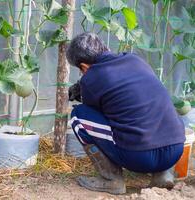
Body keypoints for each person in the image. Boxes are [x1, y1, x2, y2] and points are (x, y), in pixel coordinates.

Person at [67, 32, 185, 195]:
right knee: (157, 109)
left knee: (77, 117)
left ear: (84, 66)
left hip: (139, 158)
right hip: (175, 150)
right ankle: (163, 174)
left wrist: (84, 91)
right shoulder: (135, 60)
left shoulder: (91, 77)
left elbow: (98, 114)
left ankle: (112, 180)